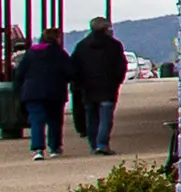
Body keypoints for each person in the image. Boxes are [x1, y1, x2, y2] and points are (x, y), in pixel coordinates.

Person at [69, 18, 127, 155]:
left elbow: (74, 67)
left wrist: (78, 83)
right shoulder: (114, 45)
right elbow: (121, 66)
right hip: (107, 87)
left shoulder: (82, 46)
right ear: (106, 29)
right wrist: (116, 81)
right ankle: (102, 144)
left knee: (91, 118)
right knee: (105, 118)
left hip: (88, 88)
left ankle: (94, 145)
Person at [14, 30, 71, 161]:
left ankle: (38, 149)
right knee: (55, 120)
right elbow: (70, 71)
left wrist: (21, 89)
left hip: (32, 92)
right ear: (57, 39)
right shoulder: (60, 53)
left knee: (36, 120)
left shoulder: (31, 53)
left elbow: (20, 73)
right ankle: (54, 148)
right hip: (55, 91)